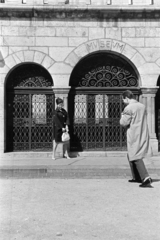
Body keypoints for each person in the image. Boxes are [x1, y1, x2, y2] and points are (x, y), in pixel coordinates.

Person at [120, 90, 153, 188]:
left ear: (126, 98)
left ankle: (146, 178)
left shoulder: (128, 108)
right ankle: (136, 177)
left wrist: (122, 115)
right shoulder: (142, 106)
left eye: (123, 99)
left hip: (134, 133)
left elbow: (123, 123)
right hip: (142, 131)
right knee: (131, 154)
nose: (123, 101)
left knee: (135, 155)